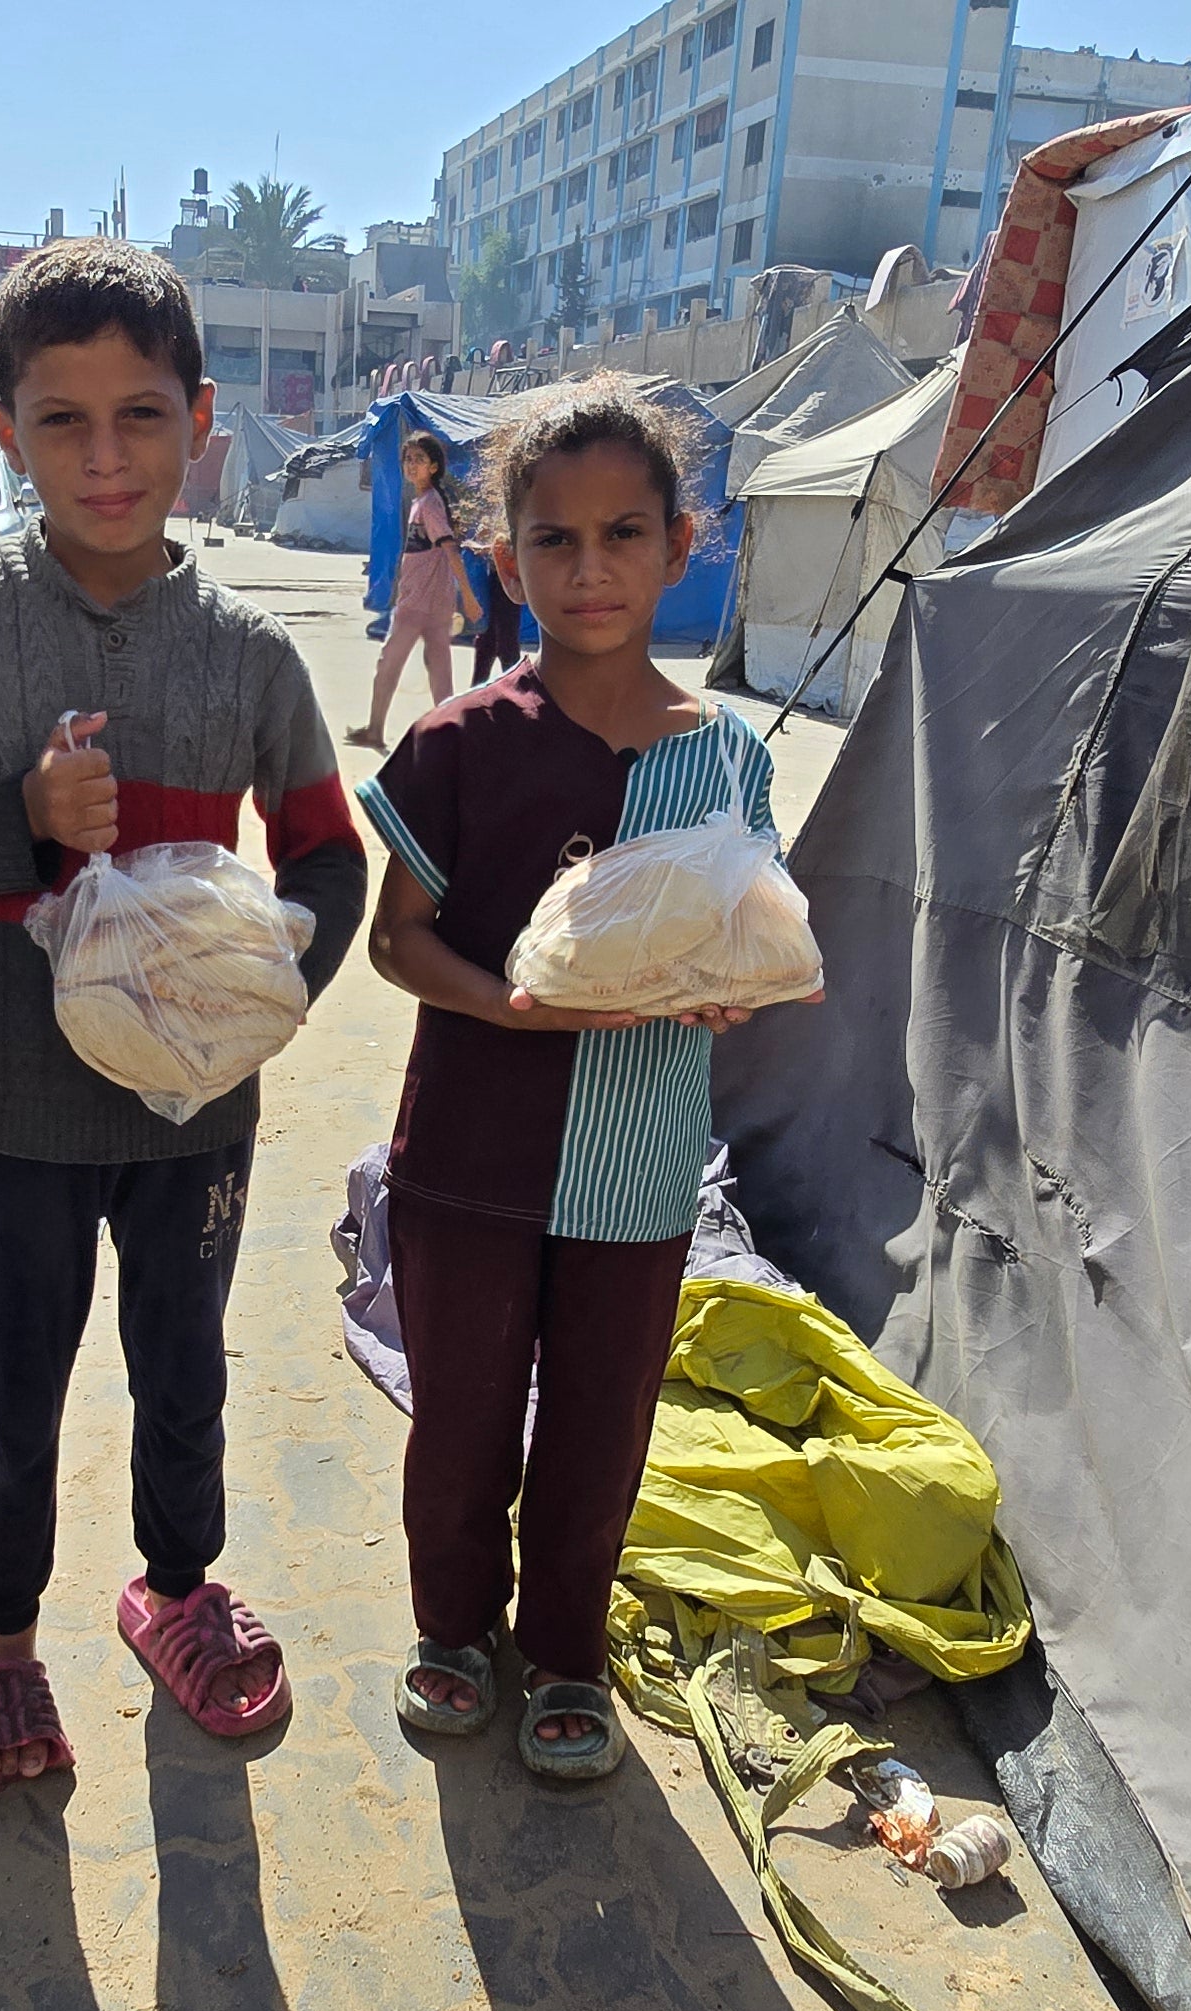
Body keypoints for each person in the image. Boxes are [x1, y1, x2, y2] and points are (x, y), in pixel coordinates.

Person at [0, 239, 368, 1799]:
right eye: (61, 421)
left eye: (140, 415)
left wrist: (270, 992)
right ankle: (0, 1647)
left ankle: (176, 1592)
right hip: (19, 1103)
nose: (107, 457)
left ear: (202, 420)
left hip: (198, 1111)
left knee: (182, 1360)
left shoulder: (255, 653)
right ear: (4, 429)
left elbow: (327, 850)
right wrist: (20, 819)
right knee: (16, 1380)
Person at [352, 376, 793, 1779]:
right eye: (554, 541)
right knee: (464, 1423)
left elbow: (751, 929)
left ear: (683, 544)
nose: (590, 570)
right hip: (469, 1160)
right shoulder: (457, 745)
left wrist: (728, 989)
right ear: (505, 561)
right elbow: (396, 942)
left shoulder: (728, 759)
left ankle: (566, 1658)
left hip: (640, 1169)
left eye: (624, 535)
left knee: (599, 1440)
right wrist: (512, 1006)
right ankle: (450, 1630)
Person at [346, 429, 476, 749]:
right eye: (407, 459)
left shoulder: (429, 504)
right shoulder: (424, 501)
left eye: (419, 459)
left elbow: (449, 549)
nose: (411, 465)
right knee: (439, 671)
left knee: (389, 665)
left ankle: (376, 731)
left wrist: (469, 597)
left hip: (419, 604)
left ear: (433, 466)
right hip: (433, 602)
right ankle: (450, 738)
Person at [465, 541, 526, 685]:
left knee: (506, 641)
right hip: (498, 576)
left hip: (508, 578)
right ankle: (477, 691)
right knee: (488, 641)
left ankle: (516, 689)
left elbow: (511, 543)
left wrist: (486, 550)